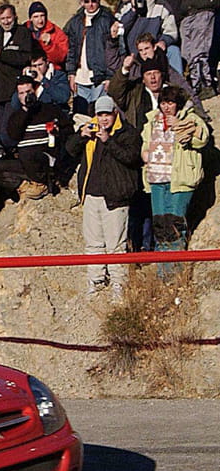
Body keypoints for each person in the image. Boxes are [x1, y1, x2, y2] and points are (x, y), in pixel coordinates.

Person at [66, 95, 143, 298]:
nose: (103, 119)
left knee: (116, 244)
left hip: (116, 196)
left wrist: (108, 141)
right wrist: (81, 136)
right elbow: (69, 149)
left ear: (115, 113)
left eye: (107, 114)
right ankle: (96, 279)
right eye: (100, 115)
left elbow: (131, 157)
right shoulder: (90, 130)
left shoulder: (127, 132)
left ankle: (119, 282)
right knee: (93, 243)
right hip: (91, 195)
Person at [0, 76, 71, 229]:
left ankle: (41, 184)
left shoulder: (49, 110)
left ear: (34, 90)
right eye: (21, 93)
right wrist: (26, 111)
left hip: (44, 159)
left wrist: (58, 131)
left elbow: (69, 129)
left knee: (30, 154)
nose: (25, 96)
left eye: (28, 92)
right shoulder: (16, 115)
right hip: (25, 163)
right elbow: (13, 135)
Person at [141, 86, 209, 268]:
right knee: (160, 226)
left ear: (177, 104)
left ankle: (175, 272)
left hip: (180, 179)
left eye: (170, 103)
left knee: (175, 225)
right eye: (163, 103)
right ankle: (162, 272)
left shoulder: (190, 118)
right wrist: (144, 153)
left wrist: (179, 126)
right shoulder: (152, 121)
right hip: (156, 179)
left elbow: (201, 139)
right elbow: (145, 143)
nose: (166, 107)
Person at [0, 4, 36, 146]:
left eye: (8, 17)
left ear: (15, 16)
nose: (6, 21)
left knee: (8, 131)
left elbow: (25, 58)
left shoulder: (23, 33)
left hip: (15, 89)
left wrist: (1, 54)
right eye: (2, 18)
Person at [65, 0, 117, 115]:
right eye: (87, 1)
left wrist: (109, 76)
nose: (91, 5)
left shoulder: (107, 19)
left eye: (94, 1)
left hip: (100, 76)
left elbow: (113, 50)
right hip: (80, 77)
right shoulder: (76, 21)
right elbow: (71, 49)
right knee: (81, 115)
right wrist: (71, 73)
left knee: (99, 113)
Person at [113, 0, 182, 75]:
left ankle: (177, 83)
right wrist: (133, 11)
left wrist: (163, 41)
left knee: (173, 51)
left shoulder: (162, 7)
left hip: (153, 53)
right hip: (130, 55)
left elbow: (171, 32)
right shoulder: (124, 7)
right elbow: (118, 31)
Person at [179, 0, 219, 99]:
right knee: (187, 54)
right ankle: (195, 85)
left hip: (202, 9)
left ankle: (205, 85)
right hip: (186, 13)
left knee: (199, 52)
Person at [27, 1, 70, 67]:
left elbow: (61, 58)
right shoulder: (24, 30)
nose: (40, 20)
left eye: (42, 16)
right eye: (36, 17)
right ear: (31, 18)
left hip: (52, 69)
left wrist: (49, 45)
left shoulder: (56, 32)